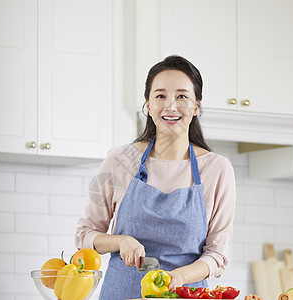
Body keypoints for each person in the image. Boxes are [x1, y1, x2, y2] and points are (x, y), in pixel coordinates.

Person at [75, 55, 236, 299]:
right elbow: (84, 235)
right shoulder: (119, 160)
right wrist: (121, 241)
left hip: (185, 294)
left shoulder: (217, 169)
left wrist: (180, 277)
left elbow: (217, 255)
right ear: (148, 105)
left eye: (182, 96)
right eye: (160, 96)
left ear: (196, 106)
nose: (171, 106)